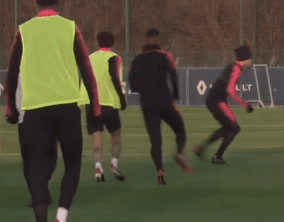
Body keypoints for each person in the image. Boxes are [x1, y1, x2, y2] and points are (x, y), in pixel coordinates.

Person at [5, 0, 100, 222]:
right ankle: (61, 219)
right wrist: (94, 110)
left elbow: (11, 73)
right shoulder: (70, 28)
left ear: (37, 1)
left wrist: (11, 108)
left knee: (36, 168)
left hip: (35, 110)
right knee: (72, 164)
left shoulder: (24, 31)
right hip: (67, 106)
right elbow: (87, 72)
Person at [128, 28, 193, 185]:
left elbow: (133, 86)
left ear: (145, 40)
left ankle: (160, 171)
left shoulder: (136, 60)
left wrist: (144, 88)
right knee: (180, 130)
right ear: (158, 40)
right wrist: (175, 98)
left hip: (148, 104)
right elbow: (173, 76)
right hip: (165, 101)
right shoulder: (164, 56)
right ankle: (179, 152)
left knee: (155, 140)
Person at [192, 45, 254, 164]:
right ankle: (215, 155)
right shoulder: (236, 69)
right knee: (234, 127)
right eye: (250, 58)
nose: (251, 61)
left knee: (231, 127)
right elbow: (230, 90)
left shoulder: (234, 67)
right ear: (245, 59)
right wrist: (245, 104)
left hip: (216, 100)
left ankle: (203, 150)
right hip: (216, 100)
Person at [78, 31, 127, 182]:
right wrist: (122, 99)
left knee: (97, 137)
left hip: (91, 103)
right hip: (108, 102)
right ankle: (114, 163)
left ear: (98, 43)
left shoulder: (89, 58)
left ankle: (98, 167)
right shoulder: (116, 58)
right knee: (116, 134)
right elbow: (115, 78)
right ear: (112, 43)